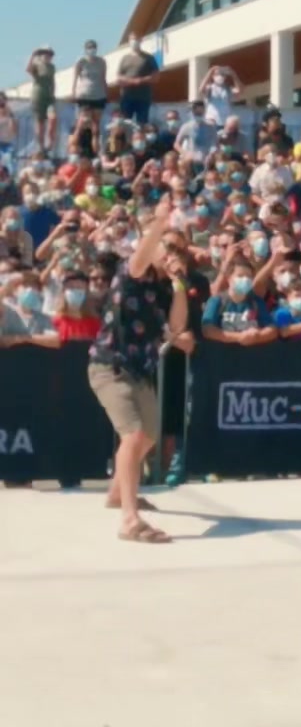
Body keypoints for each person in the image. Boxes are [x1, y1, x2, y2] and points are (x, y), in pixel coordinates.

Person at [87, 212, 190, 542]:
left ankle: (117, 493)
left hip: (140, 371)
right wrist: (160, 223)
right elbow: (142, 256)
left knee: (147, 437)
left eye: (178, 250)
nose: (172, 254)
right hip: (111, 367)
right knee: (133, 436)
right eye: (168, 247)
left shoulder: (162, 288)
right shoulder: (131, 271)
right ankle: (129, 519)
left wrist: (178, 283)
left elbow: (177, 327)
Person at [114, 34, 159, 126]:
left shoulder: (149, 58)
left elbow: (156, 76)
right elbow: (118, 76)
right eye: (132, 39)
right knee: (125, 123)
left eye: (136, 39)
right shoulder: (124, 58)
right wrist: (131, 81)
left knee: (142, 124)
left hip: (143, 97)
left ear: (140, 40)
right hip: (126, 96)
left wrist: (141, 80)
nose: (134, 42)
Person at [72, 40, 109, 152]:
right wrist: (73, 92)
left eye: (93, 47)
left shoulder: (102, 61)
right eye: (89, 47)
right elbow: (75, 78)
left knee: (95, 126)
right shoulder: (80, 61)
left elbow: (103, 78)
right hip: (84, 95)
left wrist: (106, 92)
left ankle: (95, 152)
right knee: (81, 123)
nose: (91, 49)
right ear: (85, 49)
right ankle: (74, 148)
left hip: (99, 95)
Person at [25, 46, 58, 156]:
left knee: (53, 118)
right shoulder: (37, 65)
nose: (47, 56)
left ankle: (50, 143)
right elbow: (28, 70)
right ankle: (41, 146)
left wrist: (53, 93)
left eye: (50, 54)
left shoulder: (52, 67)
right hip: (38, 95)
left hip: (49, 96)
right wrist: (32, 55)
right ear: (41, 55)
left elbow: (52, 80)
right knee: (40, 123)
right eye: (45, 53)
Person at [200, 63, 244, 128]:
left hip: (226, 123)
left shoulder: (228, 89)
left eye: (222, 74)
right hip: (212, 122)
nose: (220, 76)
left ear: (225, 77)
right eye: (217, 74)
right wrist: (210, 71)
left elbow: (240, 90)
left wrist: (233, 74)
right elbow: (201, 89)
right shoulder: (210, 88)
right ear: (213, 76)